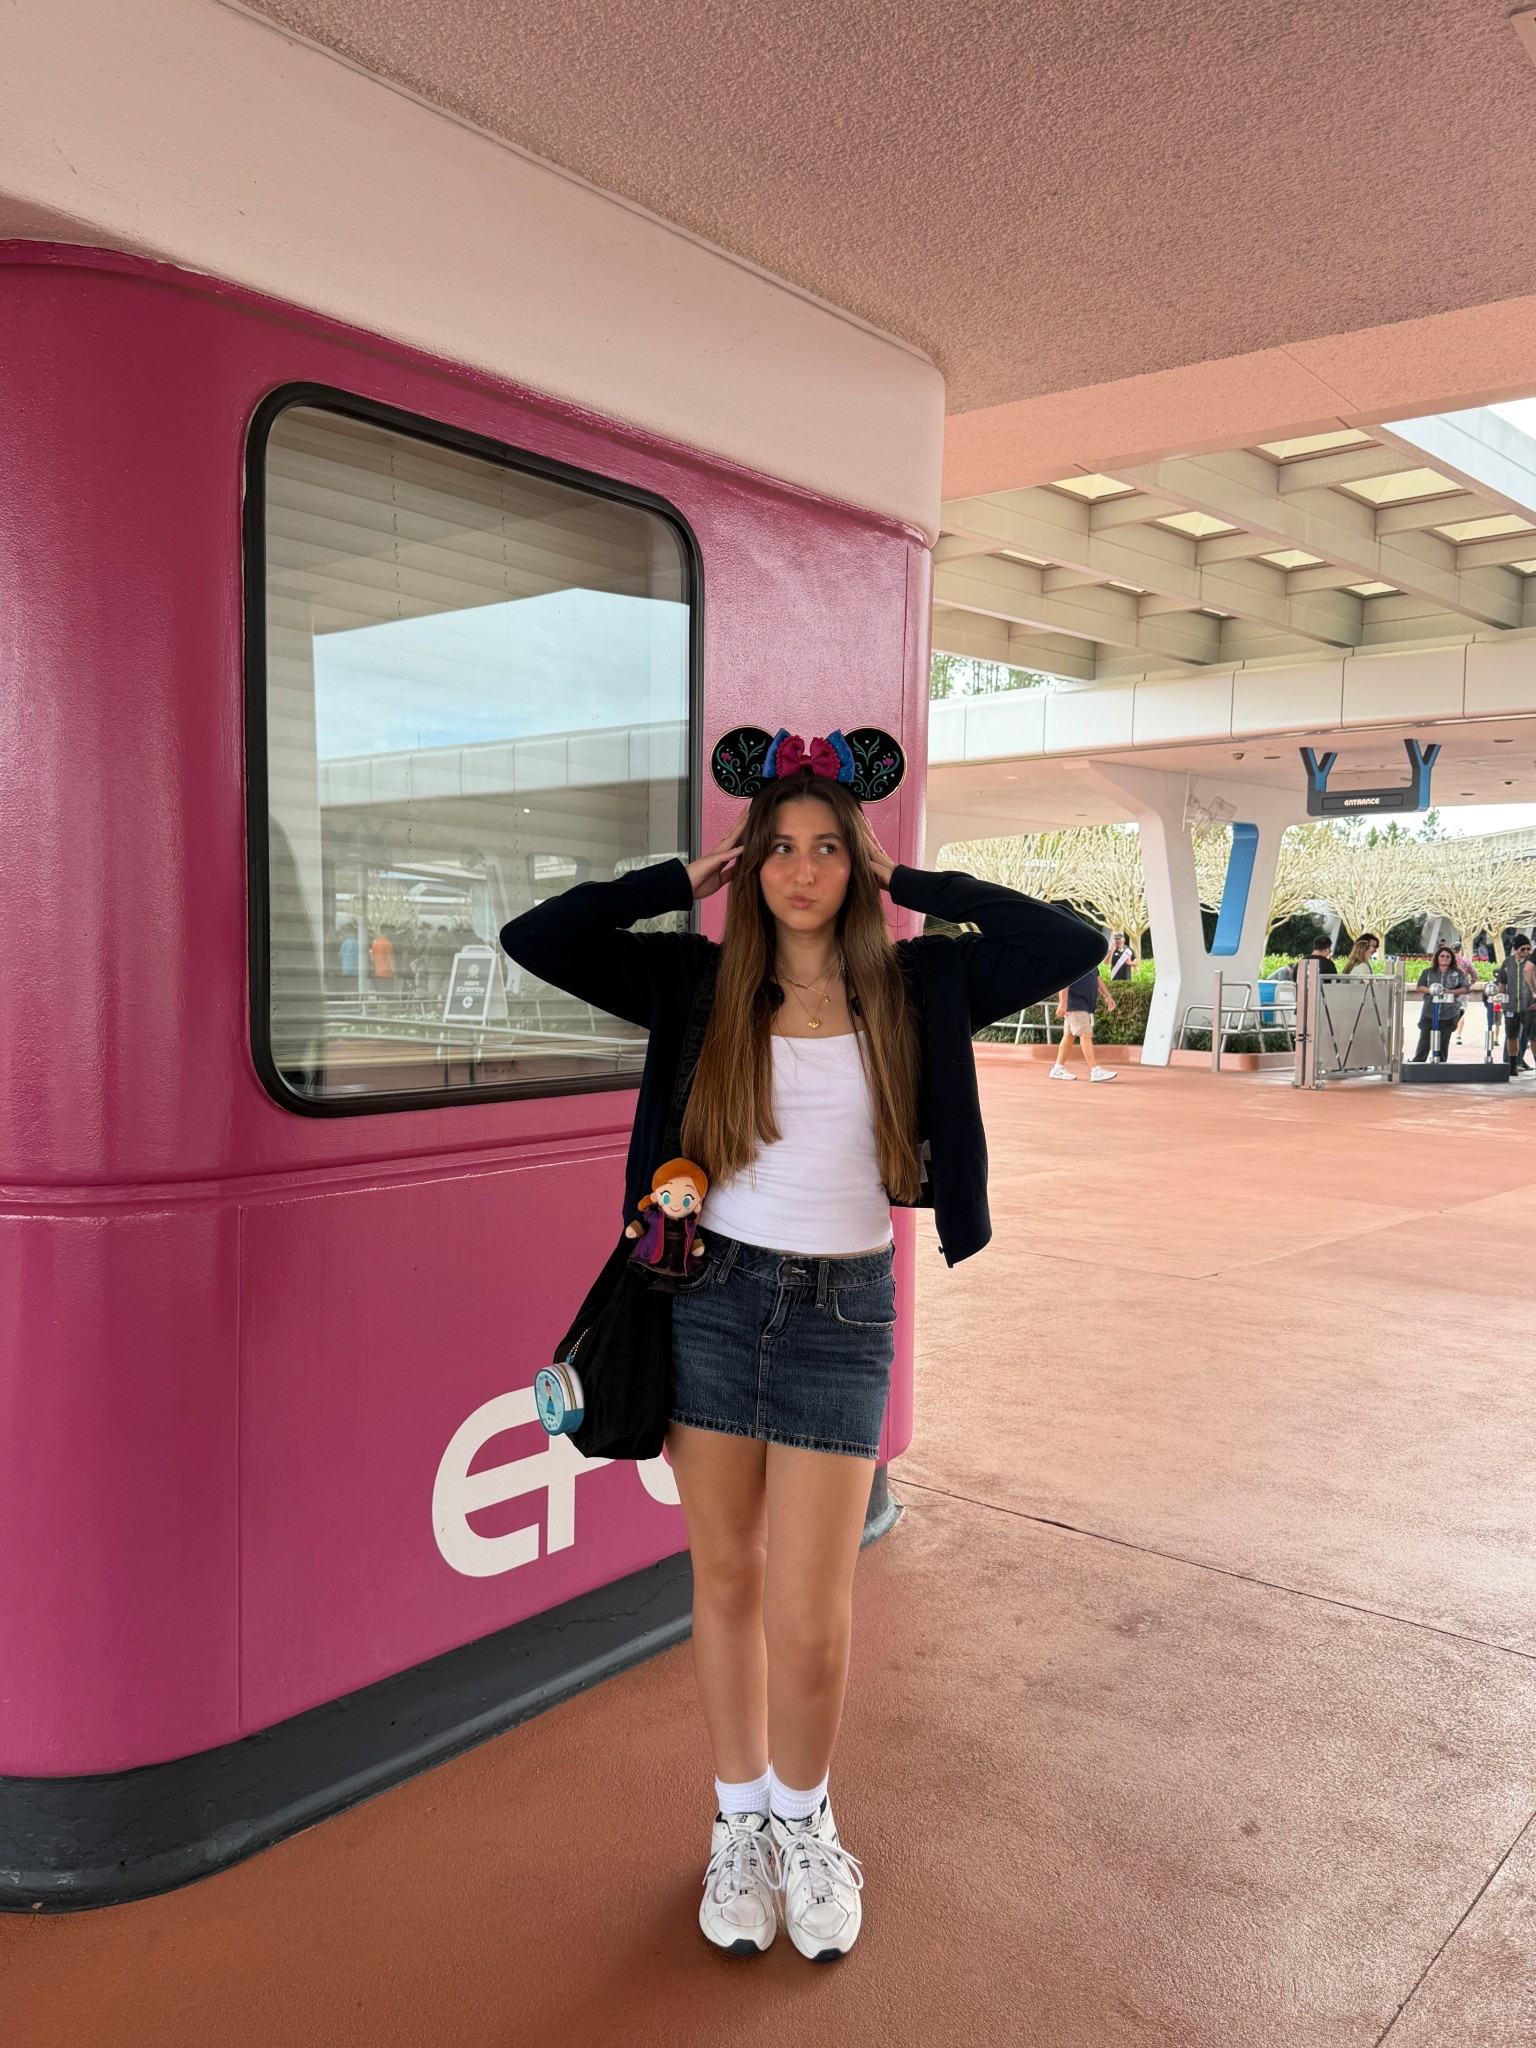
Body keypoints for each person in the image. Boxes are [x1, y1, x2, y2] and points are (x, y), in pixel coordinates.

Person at [499, 727, 1101, 1963]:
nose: (803, 870)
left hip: (845, 1309)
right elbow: (540, 938)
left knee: (815, 1614)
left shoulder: (918, 982)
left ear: (856, 860)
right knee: (722, 1579)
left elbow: (1067, 943)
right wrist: (690, 879)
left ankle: (808, 1817)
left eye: (828, 848)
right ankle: (738, 1825)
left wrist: (911, 882)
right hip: (709, 1296)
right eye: (782, 848)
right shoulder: (695, 982)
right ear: (755, 861)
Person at [1051, 960, 1119, 1082]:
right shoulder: (1073, 959)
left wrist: (1107, 995)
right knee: (1085, 1034)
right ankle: (1095, 1070)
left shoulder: (1090, 959)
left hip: (1082, 1003)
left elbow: (1097, 978)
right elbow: (1064, 981)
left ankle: (1057, 1068)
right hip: (1075, 1003)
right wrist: (1063, 1003)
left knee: (1069, 1036)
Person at [1412, 944, 1475, 1063]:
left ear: (1451, 959)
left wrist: (1450, 991)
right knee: (1425, 1037)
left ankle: (1441, 1063)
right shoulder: (1428, 972)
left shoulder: (1458, 973)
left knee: (1444, 1039)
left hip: (1449, 1012)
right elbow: (1420, 987)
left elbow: (1465, 988)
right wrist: (1432, 991)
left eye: (1447, 957)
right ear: (1437, 958)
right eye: (1442, 956)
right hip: (1429, 1010)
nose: (1444, 959)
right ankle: (1419, 1062)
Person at [1496, 935, 1536, 1073]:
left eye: (1528, 948)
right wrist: (1500, 998)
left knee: (1533, 1037)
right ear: (1515, 949)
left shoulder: (1532, 963)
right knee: (1511, 1036)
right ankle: (1513, 1065)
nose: (1526, 951)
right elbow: (1502, 984)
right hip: (1511, 1005)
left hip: (1530, 1006)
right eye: (1522, 949)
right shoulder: (1507, 963)